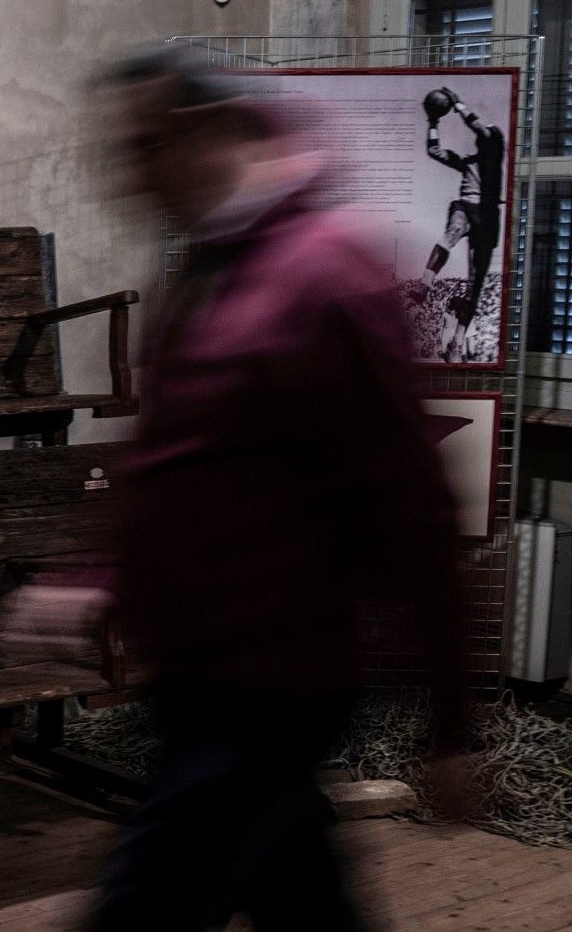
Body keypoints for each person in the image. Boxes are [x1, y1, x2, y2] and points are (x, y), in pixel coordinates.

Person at [87, 46, 473, 931]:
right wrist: (99, 580)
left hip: (273, 689)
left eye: (147, 147)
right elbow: (168, 464)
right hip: (194, 677)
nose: (131, 175)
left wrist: (451, 721)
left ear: (213, 131)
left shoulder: (331, 273)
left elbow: (419, 503)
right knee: (306, 902)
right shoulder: (201, 268)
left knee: (141, 908)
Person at [414, 86, 506, 363]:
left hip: (488, 215)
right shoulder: (469, 163)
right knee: (452, 232)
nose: (483, 131)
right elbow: (434, 151)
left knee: (475, 283)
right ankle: (425, 282)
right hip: (468, 205)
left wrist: (458, 104)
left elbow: (481, 129)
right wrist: (433, 122)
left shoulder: (494, 152)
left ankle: (456, 343)